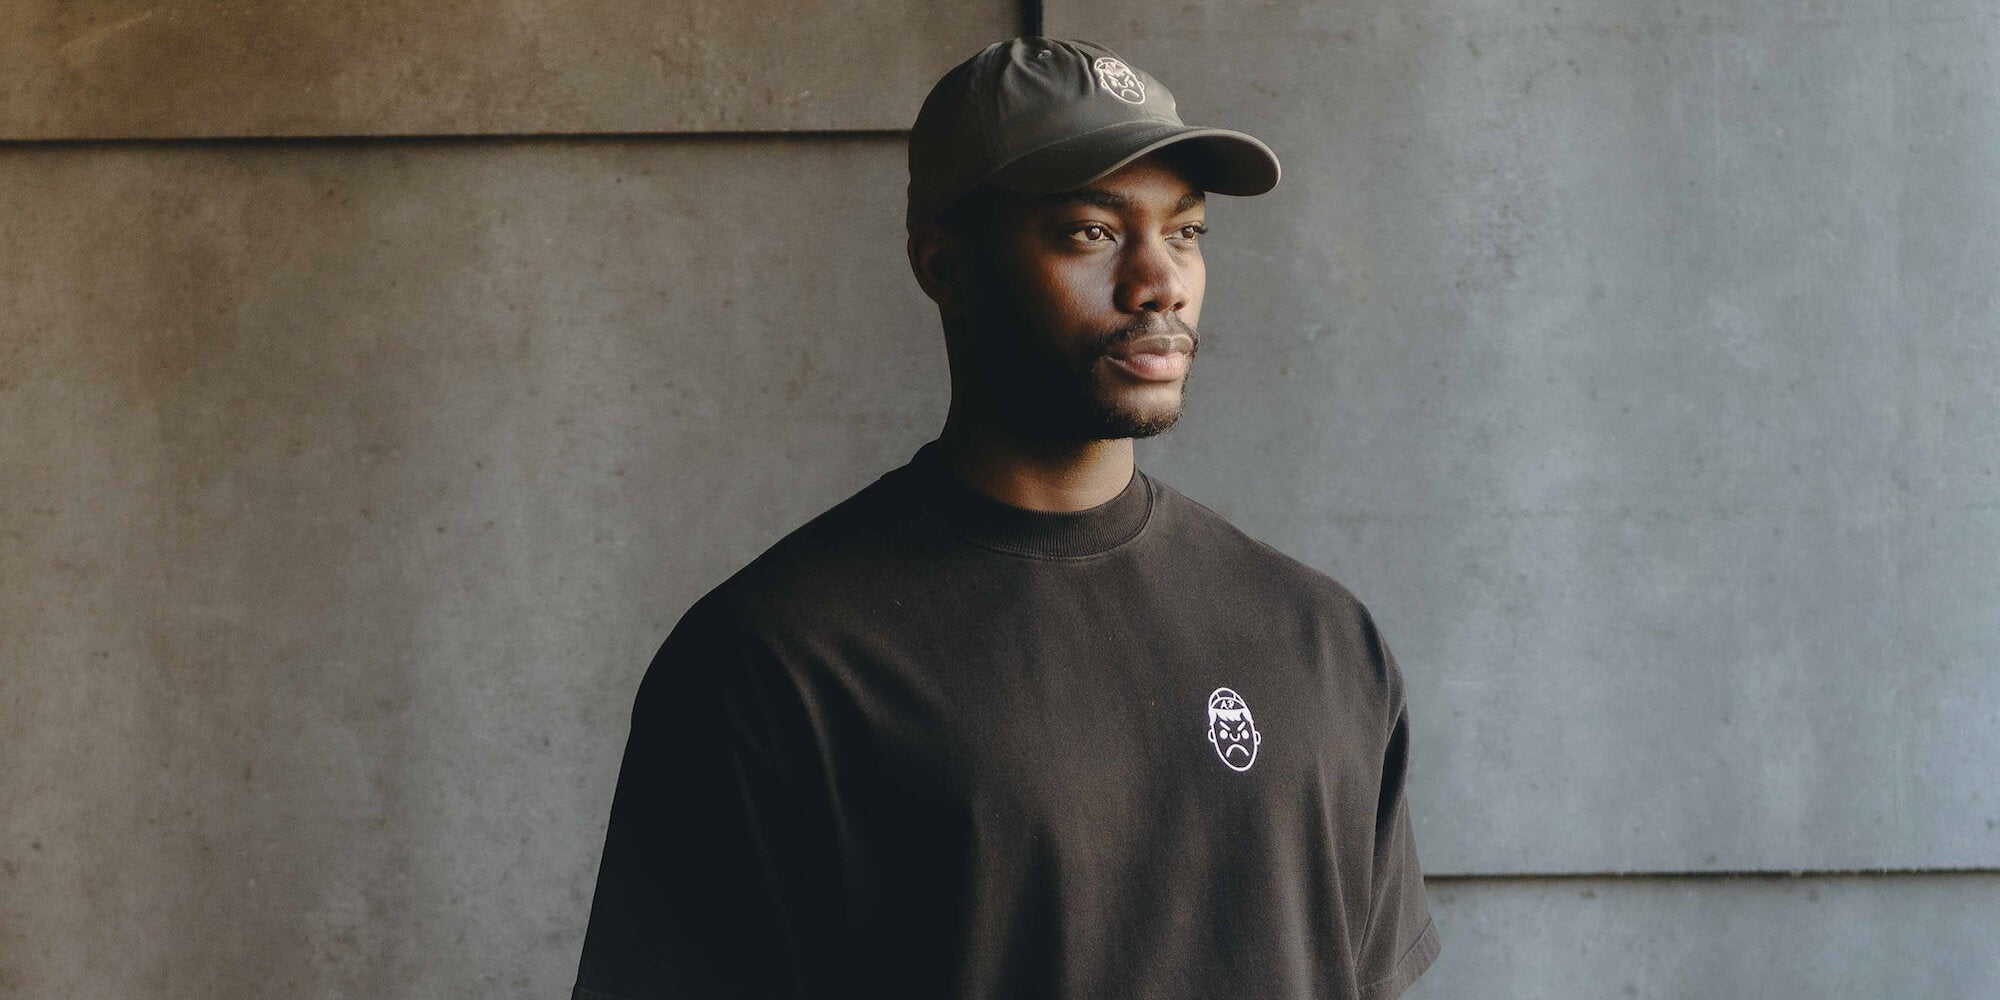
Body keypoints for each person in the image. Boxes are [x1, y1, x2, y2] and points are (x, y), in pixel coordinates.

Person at [571, 36, 1440, 1000]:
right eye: (1092, 233)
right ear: (947, 267)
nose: (1160, 283)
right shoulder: (779, 662)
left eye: (1186, 231)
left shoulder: (1322, 639)